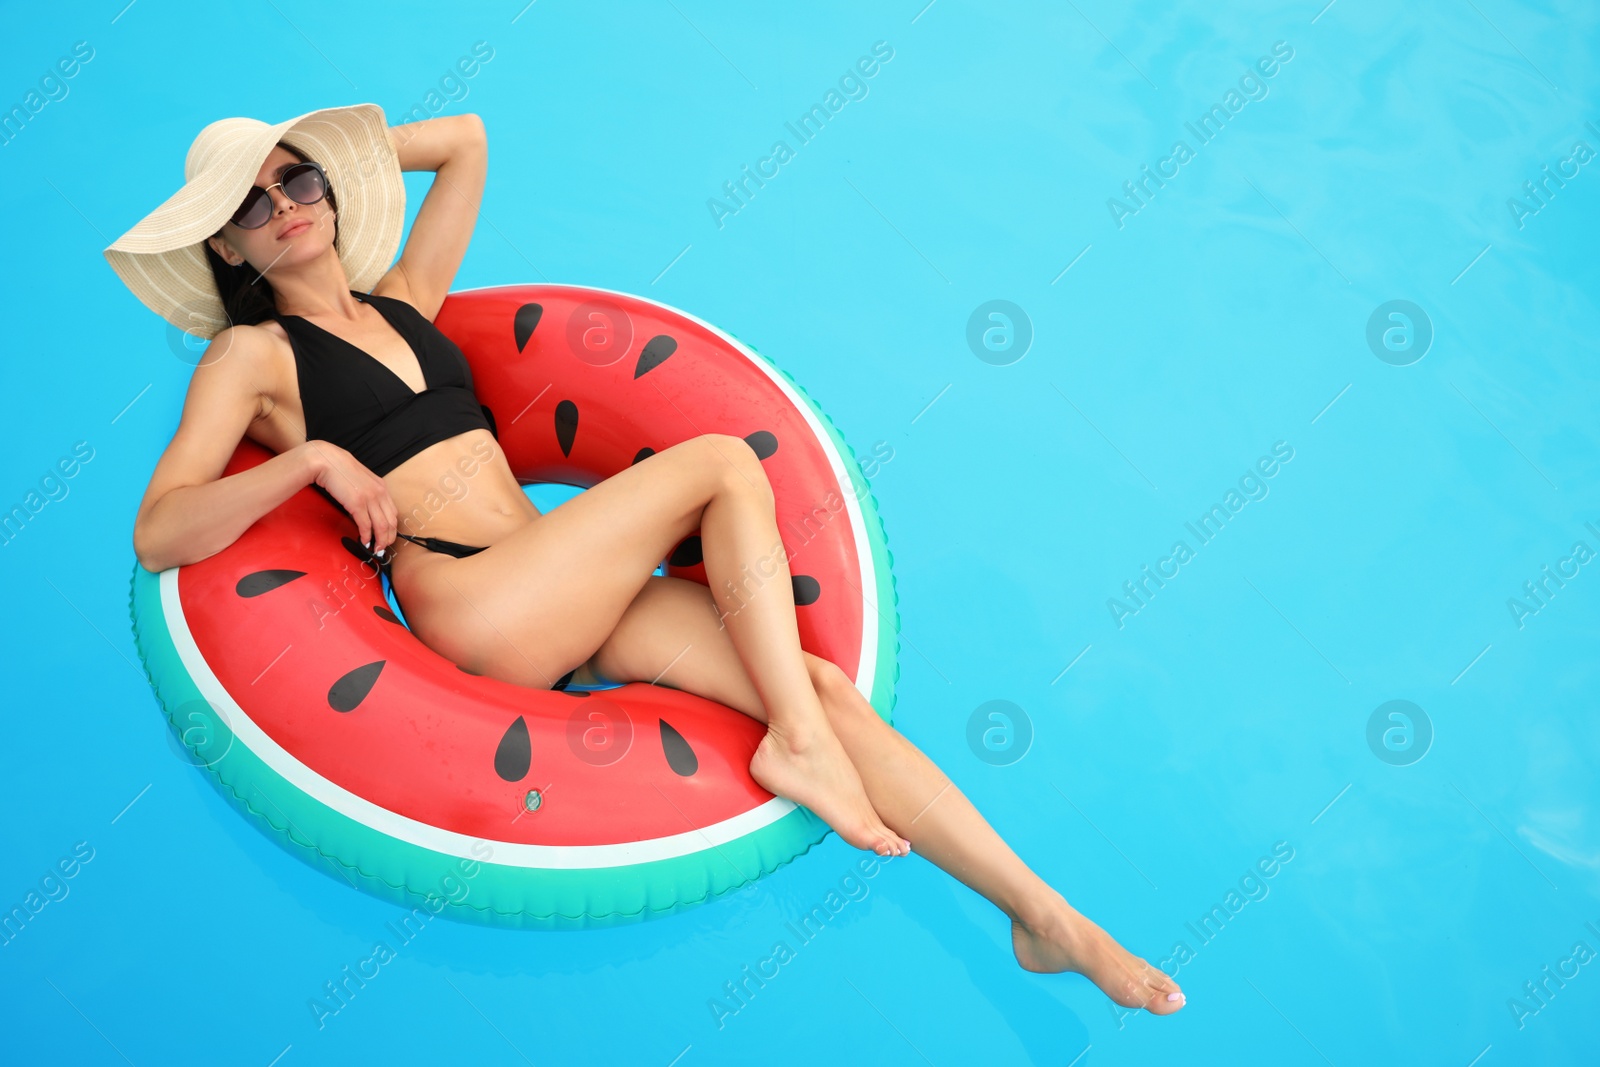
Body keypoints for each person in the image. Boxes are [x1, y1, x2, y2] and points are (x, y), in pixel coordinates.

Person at [106, 103, 1184, 1015]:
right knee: (719, 463)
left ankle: (1043, 918)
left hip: (555, 573)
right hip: (477, 604)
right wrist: (317, 464)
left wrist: (342, 157)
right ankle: (800, 748)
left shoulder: (402, 298)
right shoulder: (250, 357)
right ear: (226, 250)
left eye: (298, 180)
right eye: (252, 205)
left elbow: (470, 140)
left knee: (808, 679)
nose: (287, 206)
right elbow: (163, 525)